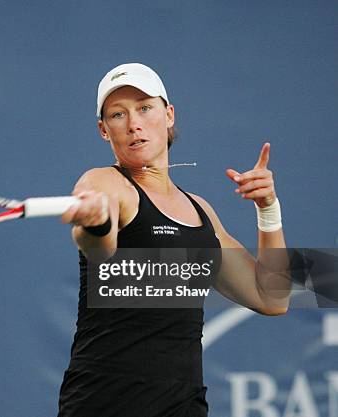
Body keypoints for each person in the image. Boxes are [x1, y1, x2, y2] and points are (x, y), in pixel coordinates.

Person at [57, 63, 290, 416]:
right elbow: (97, 249)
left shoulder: (201, 211)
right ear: (105, 131)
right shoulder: (104, 183)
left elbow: (271, 298)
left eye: (145, 108)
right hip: (102, 405)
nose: (134, 123)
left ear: (168, 115)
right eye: (118, 114)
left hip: (183, 407)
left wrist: (268, 209)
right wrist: (95, 224)